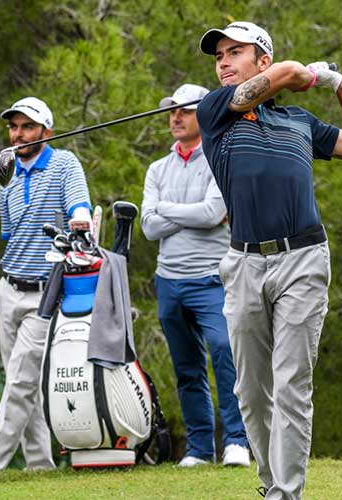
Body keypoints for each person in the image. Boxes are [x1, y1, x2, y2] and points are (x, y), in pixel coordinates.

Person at [196, 22, 342, 499]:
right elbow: (278, 78)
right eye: (219, 55)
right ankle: (270, 484)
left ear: (261, 59)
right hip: (243, 265)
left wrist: (337, 85)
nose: (223, 61)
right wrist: (301, 72)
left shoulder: (299, 121)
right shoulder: (216, 111)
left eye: (235, 52)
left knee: (292, 382)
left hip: (303, 259)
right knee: (252, 394)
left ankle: (286, 494)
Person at [0, 97, 93, 474]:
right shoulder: (6, 172)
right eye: (13, 127)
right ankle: (40, 464)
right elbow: (10, 235)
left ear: (46, 131)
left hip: (46, 291)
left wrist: (81, 217)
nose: (18, 134)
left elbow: (78, 204)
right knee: (19, 382)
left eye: (27, 127)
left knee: (22, 379)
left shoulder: (64, 163)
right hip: (8, 289)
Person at [141, 83, 250, 468]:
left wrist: (166, 210)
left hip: (211, 278)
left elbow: (211, 215)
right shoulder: (157, 168)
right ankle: (200, 449)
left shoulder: (220, 157)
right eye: (172, 110)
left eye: (185, 111)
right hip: (169, 281)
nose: (176, 117)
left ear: (203, 114)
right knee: (187, 367)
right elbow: (149, 227)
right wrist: (188, 211)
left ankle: (236, 441)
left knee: (225, 355)